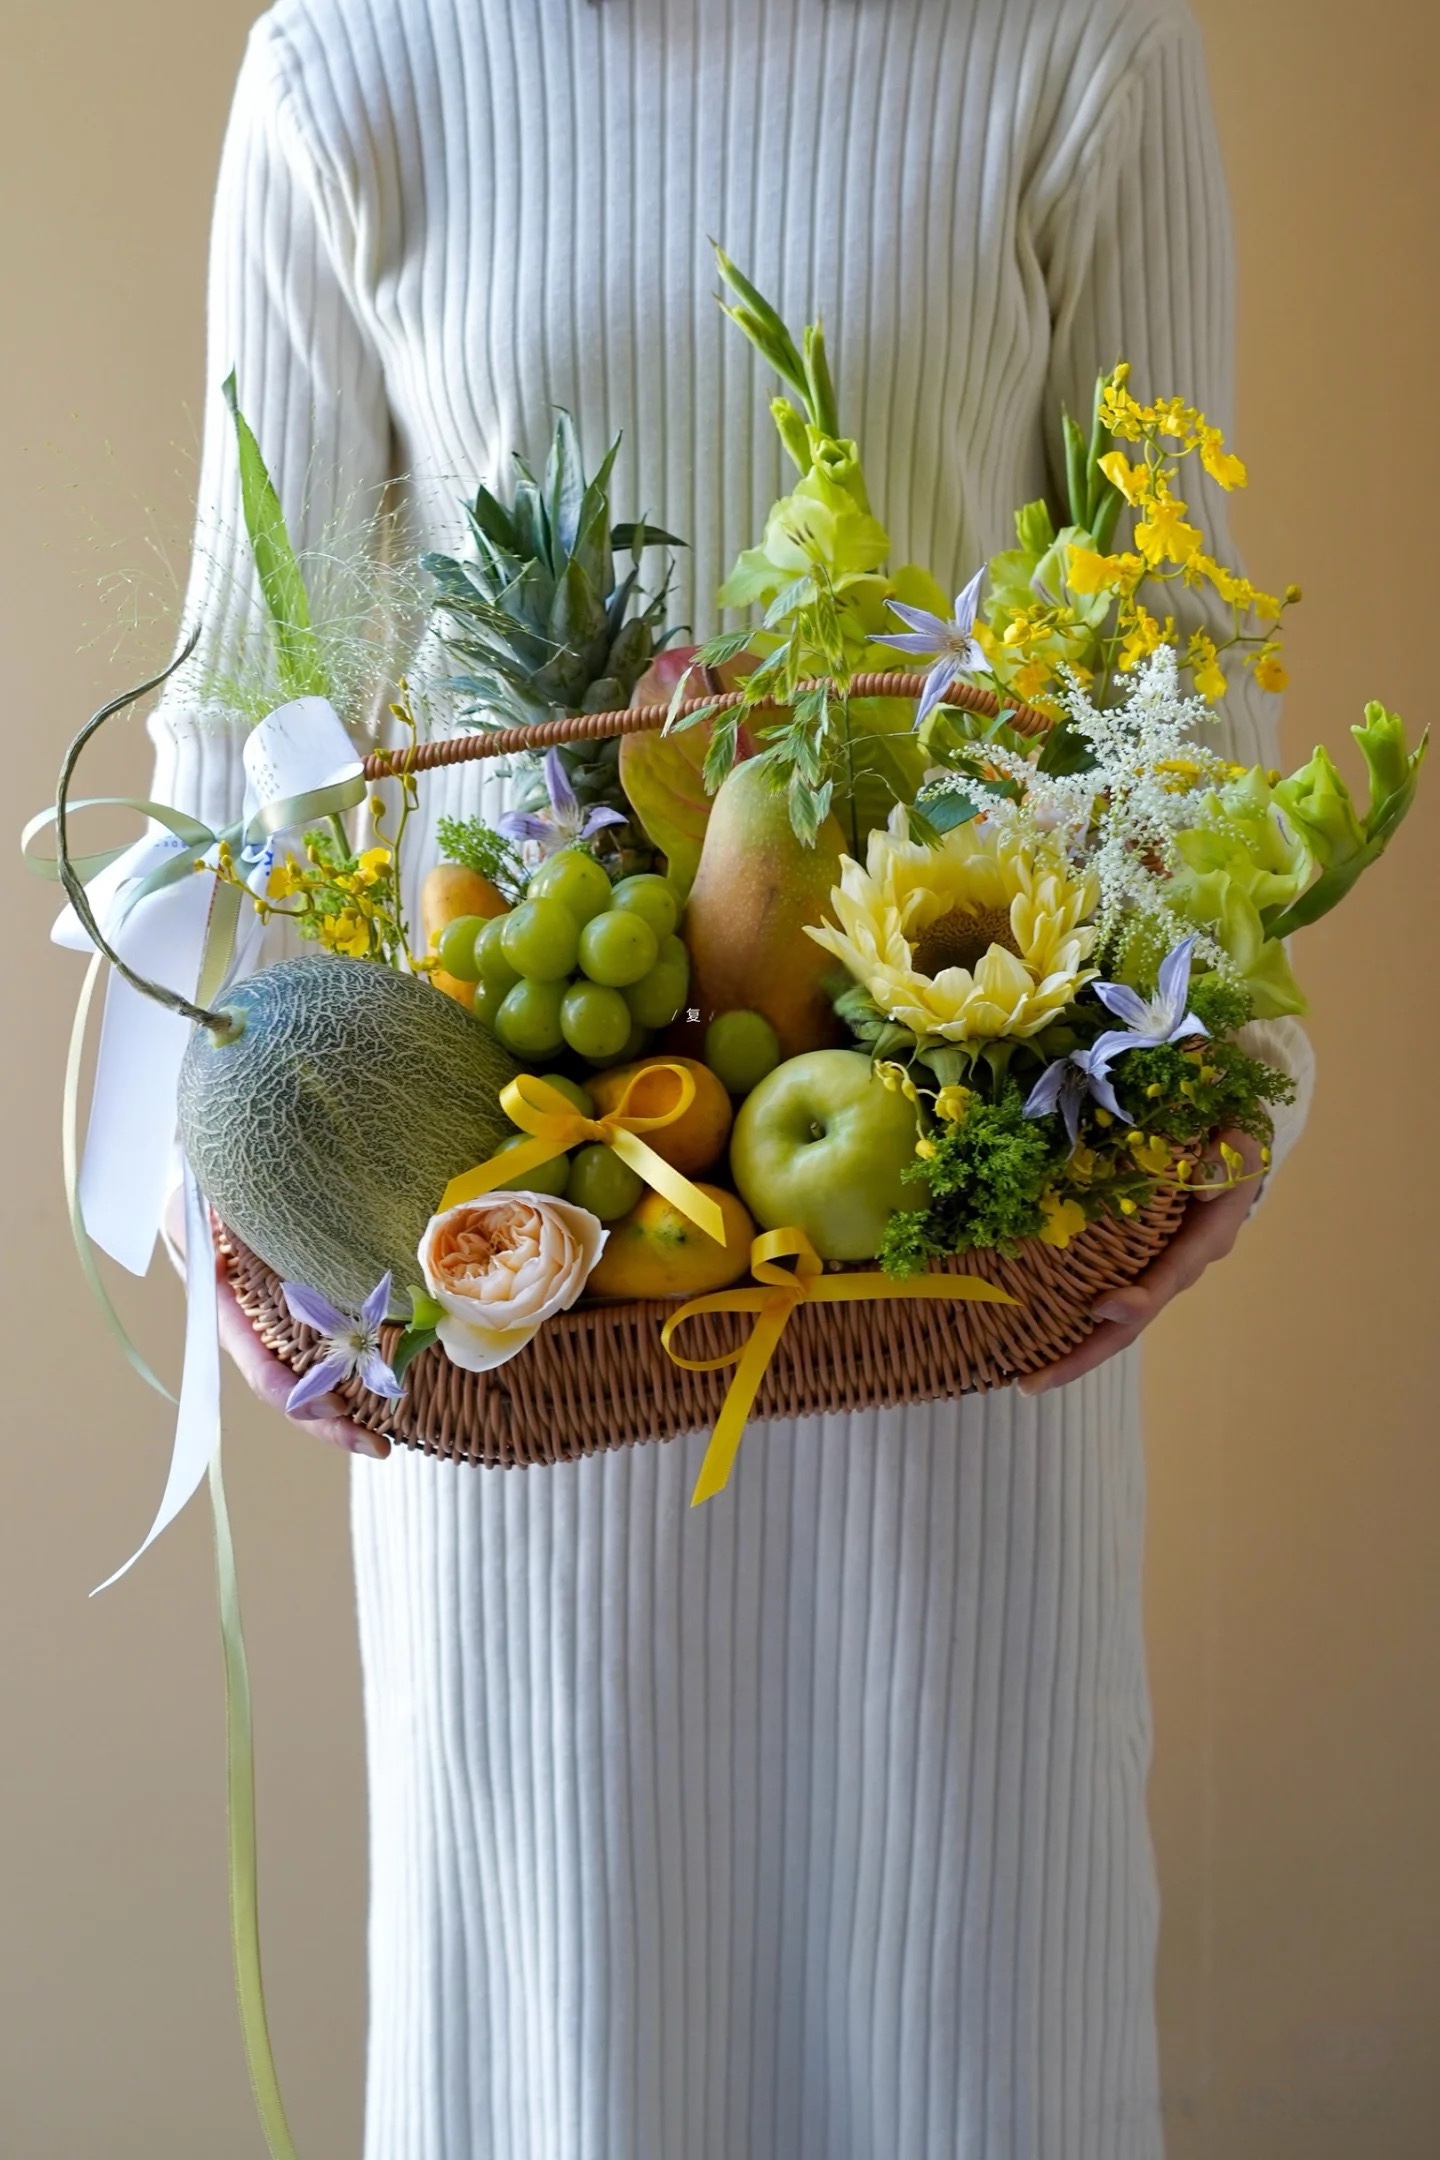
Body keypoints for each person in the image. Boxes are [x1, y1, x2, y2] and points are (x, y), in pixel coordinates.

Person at [153, 1, 1313, 2151]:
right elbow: (245, 724)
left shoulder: (1079, 51)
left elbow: (1173, 683)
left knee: (975, 2027)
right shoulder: (351, 64)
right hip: (511, 1312)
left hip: (963, 1287)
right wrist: (227, 1193)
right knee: (561, 2059)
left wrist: (1232, 1086)